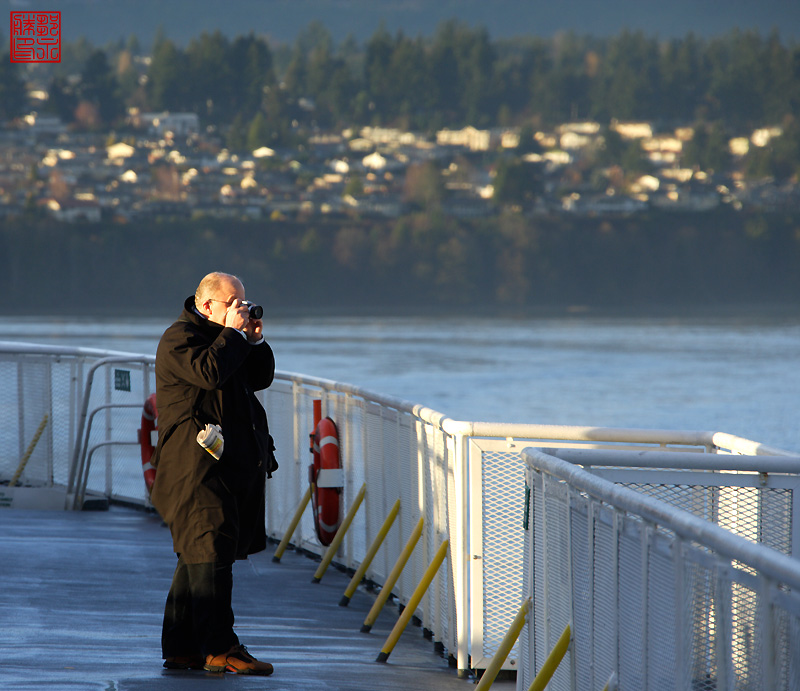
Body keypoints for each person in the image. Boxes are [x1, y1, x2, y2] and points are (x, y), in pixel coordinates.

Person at [150, 271, 276, 675]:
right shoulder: (179, 339)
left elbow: (259, 379)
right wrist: (235, 337)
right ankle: (221, 648)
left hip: (224, 467)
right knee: (212, 553)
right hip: (193, 468)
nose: (241, 309)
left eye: (244, 302)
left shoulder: (228, 340)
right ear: (207, 306)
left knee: (197, 556)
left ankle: (181, 647)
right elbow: (209, 373)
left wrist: (253, 339)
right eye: (233, 303)